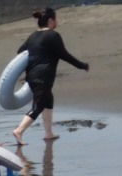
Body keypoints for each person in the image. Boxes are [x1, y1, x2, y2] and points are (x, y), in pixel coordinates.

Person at [10, 7, 89, 145]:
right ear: (51, 21)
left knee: (48, 100)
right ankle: (19, 131)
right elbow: (64, 55)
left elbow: (20, 51)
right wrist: (81, 65)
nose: (57, 22)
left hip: (32, 75)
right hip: (43, 77)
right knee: (39, 106)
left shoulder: (33, 36)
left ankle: (49, 133)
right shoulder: (53, 36)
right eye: (56, 19)